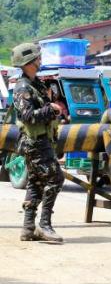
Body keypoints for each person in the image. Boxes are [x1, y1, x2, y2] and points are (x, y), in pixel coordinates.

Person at [11, 43, 64, 243]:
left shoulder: (37, 84)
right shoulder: (23, 87)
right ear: (29, 63)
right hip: (34, 143)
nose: (40, 61)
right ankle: (44, 225)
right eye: (37, 58)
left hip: (43, 140)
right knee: (56, 178)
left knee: (35, 182)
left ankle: (28, 228)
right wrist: (51, 109)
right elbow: (27, 116)